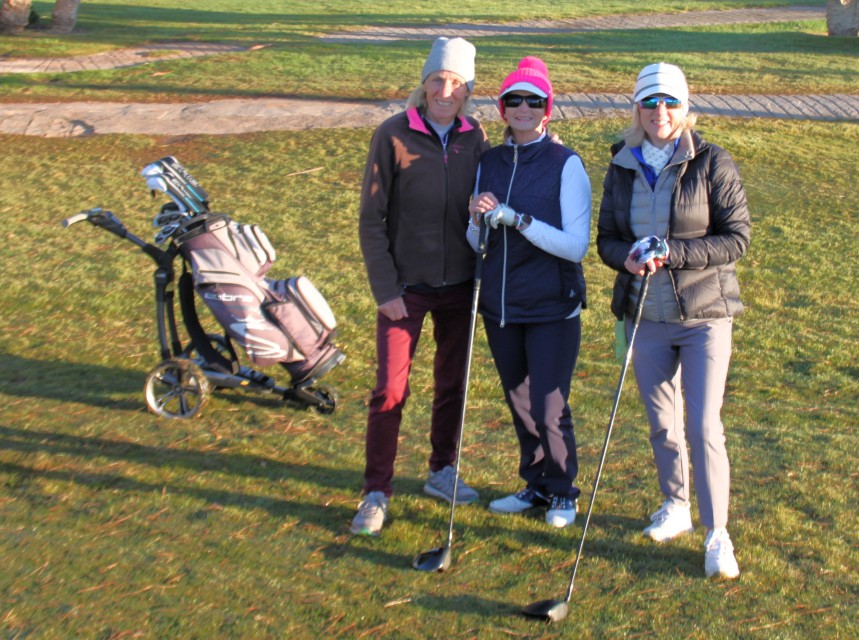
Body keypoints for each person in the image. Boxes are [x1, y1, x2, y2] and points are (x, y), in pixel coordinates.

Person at [596, 62, 750, 578]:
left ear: (685, 107)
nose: (659, 111)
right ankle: (676, 505)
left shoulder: (712, 161)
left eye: (670, 102)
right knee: (663, 423)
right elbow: (607, 239)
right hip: (645, 314)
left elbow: (736, 238)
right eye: (650, 102)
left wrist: (673, 252)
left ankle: (717, 533)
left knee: (703, 425)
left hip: (705, 315)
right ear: (636, 108)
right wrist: (627, 260)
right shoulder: (621, 164)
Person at [351, 37, 491, 536]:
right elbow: (371, 219)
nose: (445, 91)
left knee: (452, 384)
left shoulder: (476, 137)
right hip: (405, 289)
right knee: (390, 389)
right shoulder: (392, 134)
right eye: (437, 80)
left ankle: (442, 470)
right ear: (424, 83)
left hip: (460, 286)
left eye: (456, 83)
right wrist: (385, 289)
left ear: (468, 90)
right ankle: (376, 491)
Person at [467, 57, 591, 528]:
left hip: (551, 305)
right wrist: (477, 219)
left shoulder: (566, 164)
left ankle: (563, 492)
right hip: (501, 305)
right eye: (514, 100)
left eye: (534, 101)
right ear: (502, 109)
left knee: (548, 405)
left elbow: (576, 247)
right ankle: (536, 483)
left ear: (547, 109)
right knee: (520, 403)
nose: (523, 108)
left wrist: (519, 220)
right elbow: (476, 242)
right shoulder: (489, 162)